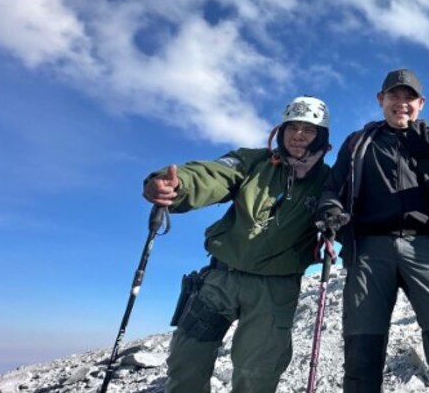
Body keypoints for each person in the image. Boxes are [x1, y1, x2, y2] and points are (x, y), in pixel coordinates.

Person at [142, 96, 333, 393]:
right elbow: (213, 174)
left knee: (257, 375)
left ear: (321, 136)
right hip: (220, 278)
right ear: (280, 131)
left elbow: (349, 213)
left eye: (308, 130)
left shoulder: (329, 182)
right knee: (186, 363)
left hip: (275, 289)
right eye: (292, 127)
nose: (298, 135)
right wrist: (178, 186)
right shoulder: (252, 161)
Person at [314, 68, 429, 392]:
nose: (401, 103)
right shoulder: (358, 142)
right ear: (381, 99)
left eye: (409, 97)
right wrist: (330, 210)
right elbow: (331, 189)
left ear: (422, 103)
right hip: (370, 250)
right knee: (361, 355)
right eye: (394, 96)